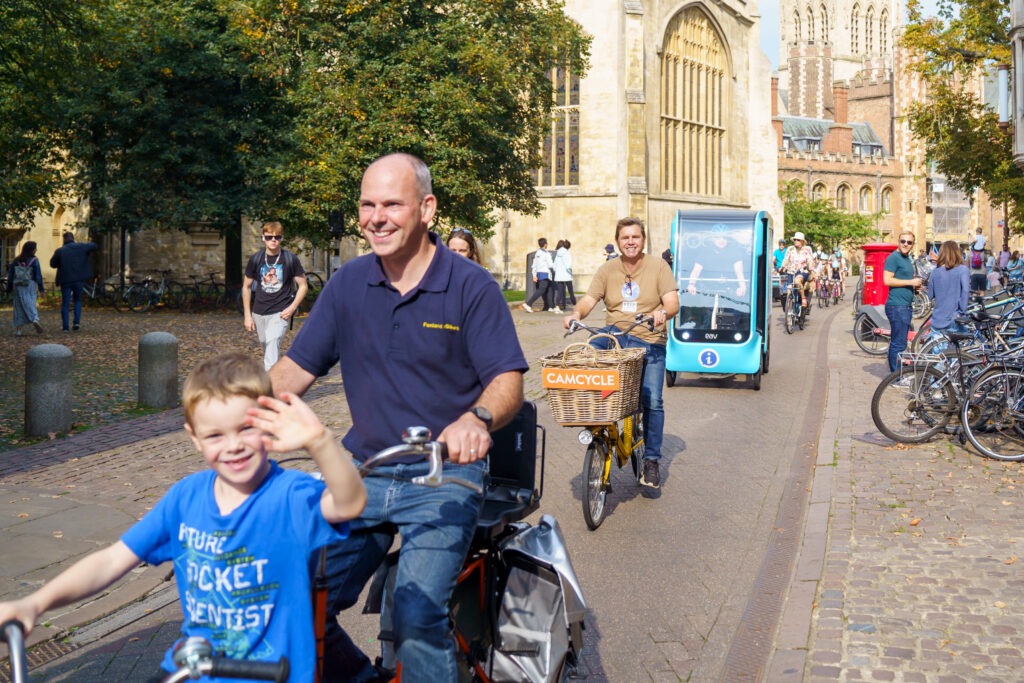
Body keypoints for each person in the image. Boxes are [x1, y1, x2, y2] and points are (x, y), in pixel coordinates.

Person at [269, 153, 528, 682]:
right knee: (295, 593)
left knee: (413, 612)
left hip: (444, 474)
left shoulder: (471, 287)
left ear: (427, 209)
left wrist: (476, 419)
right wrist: (232, 407)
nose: (376, 217)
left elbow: (508, 382)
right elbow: (294, 369)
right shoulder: (347, 284)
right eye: (367, 204)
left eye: (392, 203)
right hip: (364, 471)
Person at [0, 352, 367, 682]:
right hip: (192, 670)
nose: (233, 445)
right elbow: (113, 559)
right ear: (194, 438)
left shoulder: (289, 495)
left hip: (272, 674)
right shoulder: (185, 498)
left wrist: (320, 441)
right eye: (215, 435)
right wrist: (36, 602)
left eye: (245, 429)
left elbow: (349, 504)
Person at [562, 217, 679, 489]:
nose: (630, 242)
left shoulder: (659, 266)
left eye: (635, 237)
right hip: (614, 335)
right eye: (625, 238)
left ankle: (651, 460)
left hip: (648, 336)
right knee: (587, 356)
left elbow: (672, 302)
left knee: (652, 399)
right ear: (618, 241)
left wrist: (661, 313)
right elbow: (590, 299)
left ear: (643, 240)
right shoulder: (608, 269)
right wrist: (576, 315)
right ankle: (597, 424)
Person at [242, 221, 308, 371]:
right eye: (269, 237)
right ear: (263, 238)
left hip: (281, 312)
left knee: (272, 343)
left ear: (282, 238)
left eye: (277, 237)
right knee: (267, 346)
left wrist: (292, 309)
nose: (273, 240)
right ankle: (278, 373)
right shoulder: (256, 259)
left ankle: (270, 387)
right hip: (259, 312)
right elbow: (246, 287)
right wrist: (247, 315)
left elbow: (303, 286)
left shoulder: (290, 259)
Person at [883, 231, 922, 372]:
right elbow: (887, 280)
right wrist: (911, 282)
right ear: (898, 242)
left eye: (909, 242)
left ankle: (896, 373)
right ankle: (895, 376)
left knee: (899, 342)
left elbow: (904, 280)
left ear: (913, 244)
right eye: (903, 241)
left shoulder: (907, 259)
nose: (905, 244)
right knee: (898, 344)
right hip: (897, 306)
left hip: (904, 305)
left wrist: (914, 288)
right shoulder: (893, 258)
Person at [926, 240, 970, 351]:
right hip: (954, 317)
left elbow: (930, 295)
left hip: (938, 318)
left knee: (939, 357)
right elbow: (965, 291)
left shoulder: (935, 272)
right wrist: (962, 310)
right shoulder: (963, 270)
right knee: (957, 356)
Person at [49, 231, 97, 332]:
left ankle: (65, 327)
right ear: (73, 238)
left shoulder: (60, 251)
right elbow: (93, 245)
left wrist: (61, 263)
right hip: (79, 279)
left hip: (65, 280)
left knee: (65, 303)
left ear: (64, 239)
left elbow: (52, 264)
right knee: (78, 300)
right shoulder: (81, 247)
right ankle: (76, 322)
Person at [7, 241, 45, 336]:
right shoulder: (34, 260)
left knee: (18, 306)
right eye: (35, 248)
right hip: (29, 284)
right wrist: (41, 289)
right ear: (32, 250)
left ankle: (18, 330)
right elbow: (38, 275)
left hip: (18, 285)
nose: (36, 250)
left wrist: (9, 288)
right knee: (30, 302)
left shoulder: (17, 260)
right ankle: (34, 319)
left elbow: (11, 275)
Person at [780, 232, 815, 307]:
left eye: (798, 240)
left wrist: (811, 269)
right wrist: (783, 266)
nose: (796, 241)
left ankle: (803, 298)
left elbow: (810, 260)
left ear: (802, 241)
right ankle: (789, 309)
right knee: (788, 289)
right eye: (795, 239)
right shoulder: (790, 249)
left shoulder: (807, 249)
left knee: (797, 281)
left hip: (802, 271)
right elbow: (786, 259)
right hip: (791, 271)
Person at [521, 237, 554, 313]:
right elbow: (550, 265)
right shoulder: (547, 254)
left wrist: (534, 275)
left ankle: (550, 306)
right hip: (545, 273)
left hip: (539, 273)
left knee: (549, 289)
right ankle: (528, 304)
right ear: (545, 244)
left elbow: (534, 265)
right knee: (541, 290)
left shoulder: (537, 253)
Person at [552, 239, 576, 314]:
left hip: (559, 275)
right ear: (568, 247)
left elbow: (554, 266)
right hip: (567, 275)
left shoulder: (558, 253)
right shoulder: (567, 253)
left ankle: (557, 307)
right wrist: (570, 273)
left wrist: (558, 272)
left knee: (560, 291)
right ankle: (575, 305)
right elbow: (568, 265)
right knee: (570, 291)